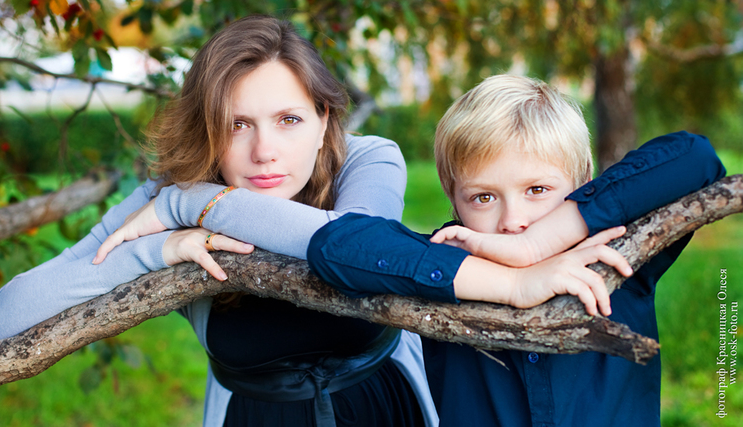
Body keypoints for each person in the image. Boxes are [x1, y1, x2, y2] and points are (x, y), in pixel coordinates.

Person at [0, 15, 438, 427]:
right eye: (236, 125)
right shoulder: (171, 189)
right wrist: (155, 251)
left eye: (288, 119)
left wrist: (189, 205)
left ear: (323, 121)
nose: (264, 151)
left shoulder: (366, 159)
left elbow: (361, 250)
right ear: (206, 131)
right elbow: (8, 317)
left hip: (383, 408)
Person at [307, 75, 727, 426]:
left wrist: (539, 243)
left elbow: (698, 158)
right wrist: (512, 281)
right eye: (484, 198)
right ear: (453, 199)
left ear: (582, 181)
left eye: (537, 190)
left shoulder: (615, 251)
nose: (513, 220)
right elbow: (334, 245)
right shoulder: (447, 255)